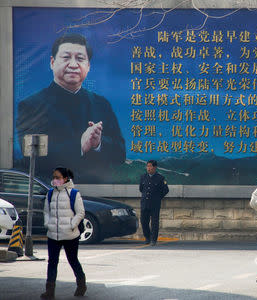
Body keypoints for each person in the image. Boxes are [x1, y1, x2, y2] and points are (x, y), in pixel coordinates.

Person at [16, 33, 125, 183]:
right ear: (52, 62)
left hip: (96, 194)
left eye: (80, 59)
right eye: (66, 57)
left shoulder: (101, 104)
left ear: (88, 66)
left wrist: (98, 143)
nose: (73, 65)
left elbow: (120, 154)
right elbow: (31, 156)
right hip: (50, 191)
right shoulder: (31, 105)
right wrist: (80, 145)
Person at [41, 167, 86, 299]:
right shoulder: (50, 194)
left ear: (65, 179)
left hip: (70, 235)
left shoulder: (74, 193)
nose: (55, 180)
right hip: (53, 235)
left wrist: (72, 225)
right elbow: (46, 212)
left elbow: (80, 213)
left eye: (58, 178)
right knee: (52, 262)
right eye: (54, 177)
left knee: (72, 260)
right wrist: (47, 224)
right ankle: (49, 291)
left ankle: (81, 284)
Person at [140, 160, 169, 246]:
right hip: (145, 202)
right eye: (147, 166)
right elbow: (141, 189)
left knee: (154, 223)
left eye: (150, 166)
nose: (148, 168)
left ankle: (153, 239)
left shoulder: (160, 178)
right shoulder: (143, 177)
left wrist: (157, 198)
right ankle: (147, 237)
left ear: (155, 167)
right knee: (144, 221)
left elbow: (165, 190)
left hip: (155, 204)